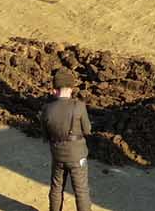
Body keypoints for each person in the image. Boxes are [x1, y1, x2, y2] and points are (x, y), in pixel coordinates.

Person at [41, 67, 93, 211]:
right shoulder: (79, 106)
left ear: (55, 88)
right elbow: (87, 130)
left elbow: (45, 135)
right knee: (81, 191)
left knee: (56, 188)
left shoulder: (47, 108)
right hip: (77, 155)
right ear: (71, 87)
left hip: (57, 154)